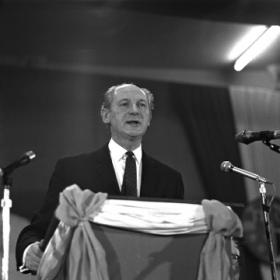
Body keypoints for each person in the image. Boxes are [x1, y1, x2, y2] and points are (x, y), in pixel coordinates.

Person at [15, 83, 185, 274]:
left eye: (141, 105)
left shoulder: (170, 179)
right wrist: (29, 251)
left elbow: (177, 243)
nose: (135, 111)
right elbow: (39, 230)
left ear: (149, 118)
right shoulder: (72, 170)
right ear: (106, 115)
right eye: (124, 104)